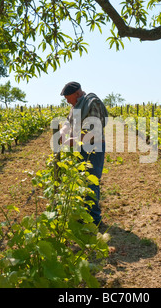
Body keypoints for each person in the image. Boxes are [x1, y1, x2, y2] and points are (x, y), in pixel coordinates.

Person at [59, 81, 108, 226]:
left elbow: (94, 131)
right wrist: (63, 131)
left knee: (91, 183)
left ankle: (94, 219)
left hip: (94, 148)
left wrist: (73, 141)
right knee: (80, 181)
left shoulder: (92, 103)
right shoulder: (76, 106)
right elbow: (68, 122)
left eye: (68, 97)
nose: (67, 101)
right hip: (80, 148)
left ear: (77, 94)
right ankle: (84, 215)